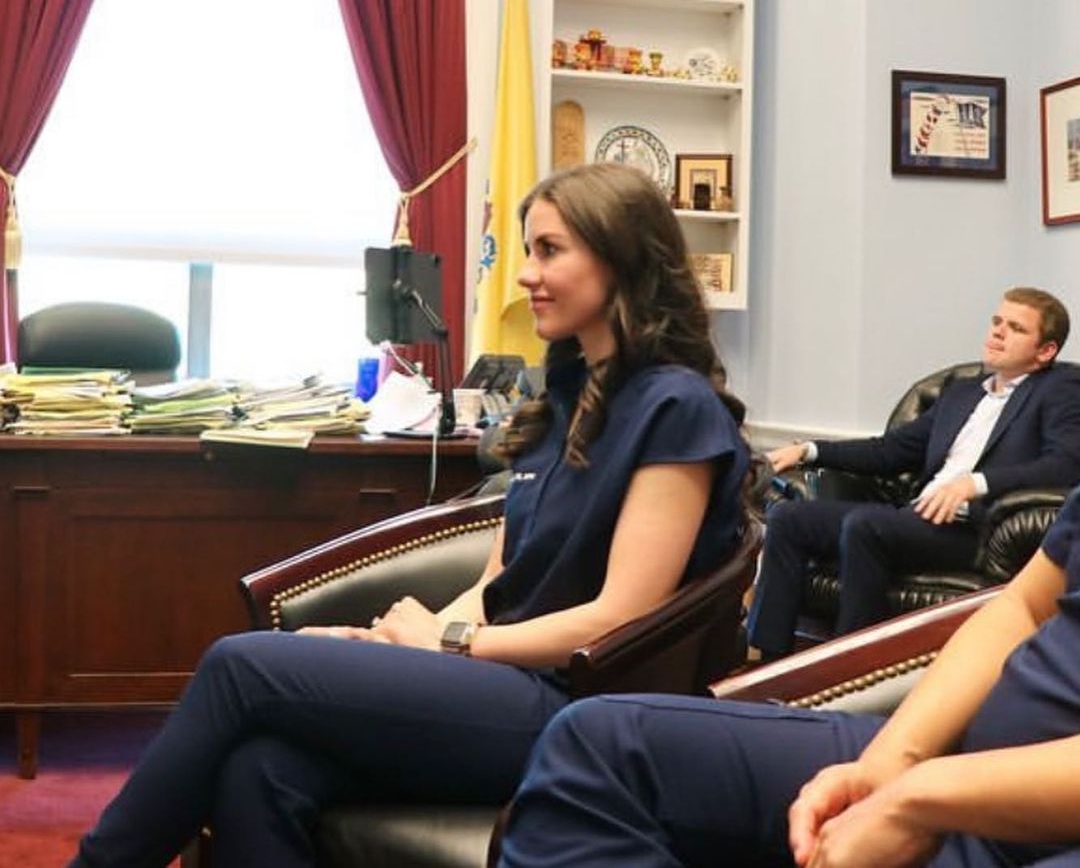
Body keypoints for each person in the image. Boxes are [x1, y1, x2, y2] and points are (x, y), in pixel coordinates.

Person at [68, 161, 749, 868]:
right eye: (528, 250)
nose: (525, 274)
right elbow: (496, 585)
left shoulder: (676, 407)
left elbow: (618, 619)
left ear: (620, 258)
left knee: (239, 666)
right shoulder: (561, 401)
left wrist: (449, 642)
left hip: (580, 714)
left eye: (550, 250)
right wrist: (386, 645)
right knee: (261, 768)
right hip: (502, 684)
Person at [496, 482, 1080, 868]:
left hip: (1044, 821)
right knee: (602, 746)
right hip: (962, 758)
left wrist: (921, 797)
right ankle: (766, 648)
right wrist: (889, 763)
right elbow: (1024, 606)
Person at [748, 287, 1080, 658]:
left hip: (972, 530)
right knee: (791, 518)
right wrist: (810, 450)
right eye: (997, 321)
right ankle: (769, 661)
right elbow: (890, 451)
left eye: (1016, 328)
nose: (998, 332)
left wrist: (976, 484)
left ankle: (850, 668)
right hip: (915, 518)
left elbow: (1065, 464)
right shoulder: (962, 392)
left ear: (1045, 351)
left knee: (865, 525)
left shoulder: (1059, 390)